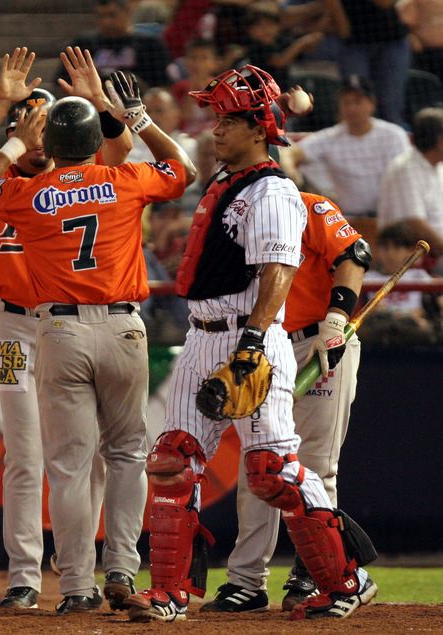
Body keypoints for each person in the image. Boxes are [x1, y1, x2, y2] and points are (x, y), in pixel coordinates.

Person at [124, 65, 377, 622]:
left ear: (258, 130)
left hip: (248, 338)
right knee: (171, 461)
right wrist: (136, 120)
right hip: (201, 338)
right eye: (216, 118)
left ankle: (346, 578)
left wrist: (254, 343)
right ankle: (169, 592)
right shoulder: (226, 180)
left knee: (273, 470)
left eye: (229, 121)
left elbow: (279, 271)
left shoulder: (274, 191)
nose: (216, 130)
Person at [0, 73, 196, 614]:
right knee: (127, 455)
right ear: (96, 142)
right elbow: (181, 169)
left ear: (52, 146)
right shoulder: (125, 179)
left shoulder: (29, 192)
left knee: (67, 465)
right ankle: (121, 566)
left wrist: (19, 141)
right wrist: (134, 117)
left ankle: (75, 586)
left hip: (58, 331)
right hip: (123, 327)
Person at [0, 46, 133, 611]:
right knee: (26, 453)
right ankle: (24, 572)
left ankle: (87, 561)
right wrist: (0, 106)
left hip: (66, 326)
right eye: (25, 125)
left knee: (94, 456)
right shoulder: (3, 182)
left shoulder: (67, 181)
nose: (33, 138)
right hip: (15, 330)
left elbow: (120, 148)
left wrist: (98, 103)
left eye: (41, 125)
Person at [200, 192, 372, 613]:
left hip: (320, 341)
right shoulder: (233, 216)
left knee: (315, 463)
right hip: (267, 346)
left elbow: (354, 253)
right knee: (260, 462)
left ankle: (316, 572)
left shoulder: (307, 204)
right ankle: (246, 581)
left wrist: (335, 321)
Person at [280, 74, 410, 230]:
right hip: (347, 223)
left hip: (389, 223)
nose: (351, 108)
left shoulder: (394, 135)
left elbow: (406, 179)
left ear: (372, 103)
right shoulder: (330, 137)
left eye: (357, 101)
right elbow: (290, 153)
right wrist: (290, 171)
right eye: (346, 102)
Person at [57, 0, 171, 90]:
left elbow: (164, 87)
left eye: (111, 15)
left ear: (127, 12)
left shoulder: (150, 44)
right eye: (101, 16)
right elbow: (62, 84)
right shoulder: (83, 44)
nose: (106, 22)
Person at [377, 107, 443, 260]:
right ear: (440, 142)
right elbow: (415, 224)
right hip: (413, 258)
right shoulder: (405, 169)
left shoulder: (439, 166)